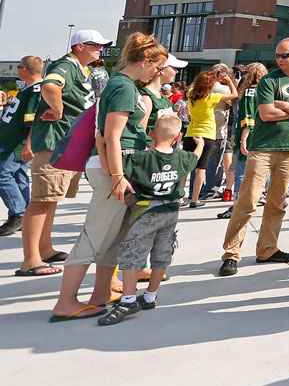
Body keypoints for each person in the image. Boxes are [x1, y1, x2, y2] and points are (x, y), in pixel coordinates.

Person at [50, 33, 167, 321]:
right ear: (145, 62)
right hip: (117, 166)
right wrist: (116, 175)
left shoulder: (119, 84)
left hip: (114, 165)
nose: (157, 73)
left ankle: (100, 293)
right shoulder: (124, 87)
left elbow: (105, 135)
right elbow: (113, 136)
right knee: (95, 236)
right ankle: (66, 302)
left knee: (113, 236)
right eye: (157, 67)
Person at [218, 38, 289, 276]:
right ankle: (231, 254)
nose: (280, 59)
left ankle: (267, 249)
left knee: (277, 203)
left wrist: (282, 105)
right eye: (277, 56)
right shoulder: (268, 80)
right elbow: (265, 114)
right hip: (262, 147)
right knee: (247, 201)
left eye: (284, 55)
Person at [18, 29, 109, 279]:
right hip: (54, 142)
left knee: (51, 199)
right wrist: (57, 109)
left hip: (65, 144)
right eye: (94, 45)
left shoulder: (81, 68)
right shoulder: (66, 65)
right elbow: (50, 86)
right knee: (41, 200)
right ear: (79, 46)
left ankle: (45, 249)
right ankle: (30, 260)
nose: (100, 49)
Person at [96, 114, 202, 326]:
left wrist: (101, 142)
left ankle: (127, 300)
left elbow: (110, 169)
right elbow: (195, 158)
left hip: (145, 212)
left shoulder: (140, 159)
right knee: (162, 254)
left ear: (151, 134)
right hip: (171, 213)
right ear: (177, 137)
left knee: (132, 254)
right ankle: (151, 295)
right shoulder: (182, 157)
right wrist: (200, 144)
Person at [0, 56, 44, 238]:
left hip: (16, 144)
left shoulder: (35, 90)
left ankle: (17, 213)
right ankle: (25, 213)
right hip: (10, 141)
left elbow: (32, 122)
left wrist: (28, 145)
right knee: (18, 177)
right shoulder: (28, 88)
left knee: (2, 174)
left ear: (24, 69)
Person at [184, 69, 238, 207]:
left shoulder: (190, 94)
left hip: (190, 133)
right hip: (207, 134)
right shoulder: (211, 97)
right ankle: (195, 200)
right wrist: (229, 81)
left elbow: (188, 102)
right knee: (201, 168)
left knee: (185, 167)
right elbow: (234, 95)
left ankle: (180, 197)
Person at [219, 63, 267, 220]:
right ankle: (271, 194)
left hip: (249, 136)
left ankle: (237, 204)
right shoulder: (265, 91)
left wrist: (243, 139)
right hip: (262, 136)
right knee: (261, 169)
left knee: (241, 172)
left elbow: (248, 116)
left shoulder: (249, 92)